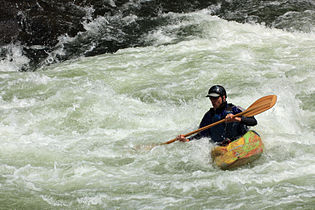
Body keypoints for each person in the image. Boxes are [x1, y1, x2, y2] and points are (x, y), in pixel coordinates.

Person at [176, 85, 257, 146]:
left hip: (239, 141)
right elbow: (202, 135)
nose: (213, 101)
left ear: (223, 97)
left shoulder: (235, 109)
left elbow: (253, 121)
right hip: (222, 146)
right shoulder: (209, 115)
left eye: (215, 98)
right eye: (211, 98)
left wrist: (237, 119)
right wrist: (187, 140)